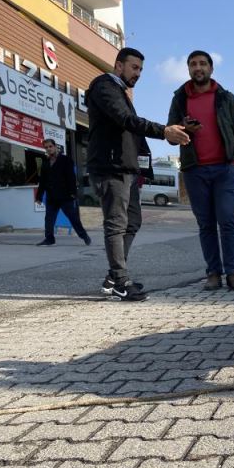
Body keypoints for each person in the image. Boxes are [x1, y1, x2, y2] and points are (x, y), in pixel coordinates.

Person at [86, 47, 190, 301]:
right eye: (134, 67)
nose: (139, 73)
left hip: (127, 169)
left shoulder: (121, 92)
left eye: (141, 69)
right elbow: (126, 121)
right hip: (110, 168)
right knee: (116, 223)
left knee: (133, 222)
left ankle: (113, 277)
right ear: (119, 65)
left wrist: (143, 167)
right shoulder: (103, 86)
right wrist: (164, 131)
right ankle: (121, 281)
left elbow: (132, 133)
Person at [167, 50, 234, 291]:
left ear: (211, 69)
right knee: (206, 224)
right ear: (188, 69)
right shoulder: (180, 98)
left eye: (203, 63)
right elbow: (171, 136)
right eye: (193, 64)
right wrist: (185, 128)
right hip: (194, 171)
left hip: (224, 169)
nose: (198, 68)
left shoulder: (226, 97)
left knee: (227, 220)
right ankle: (213, 273)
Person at [35, 139, 91, 247]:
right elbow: (42, 182)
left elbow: (71, 178)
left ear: (55, 147)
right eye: (46, 147)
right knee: (49, 218)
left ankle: (84, 236)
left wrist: (73, 193)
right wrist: (39, 197)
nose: (48, 149)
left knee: (73, 218)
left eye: (50, 146)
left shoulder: (66, 160)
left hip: (65, 196)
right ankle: (49, 239)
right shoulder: (45, 163)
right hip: (51, 197)